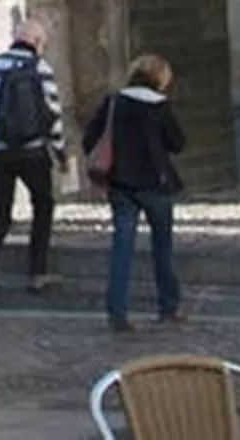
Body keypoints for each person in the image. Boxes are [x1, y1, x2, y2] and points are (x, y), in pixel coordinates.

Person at [0, 15, 67, 309]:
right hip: (32, 152)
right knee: (43, 205)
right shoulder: (40, 68)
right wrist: (59, 152)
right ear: (36, 42)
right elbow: (52, 115)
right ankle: (38, 271)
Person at [84, 53, 188, 332]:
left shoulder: (114, 102)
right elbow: (178, 143)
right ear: (161, 78)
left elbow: (89, 138)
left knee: (122, 247)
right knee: (162, 248)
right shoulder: (160, 107)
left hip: (121, 184)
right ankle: (168, 305)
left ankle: (117, 310)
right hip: (156, 183)